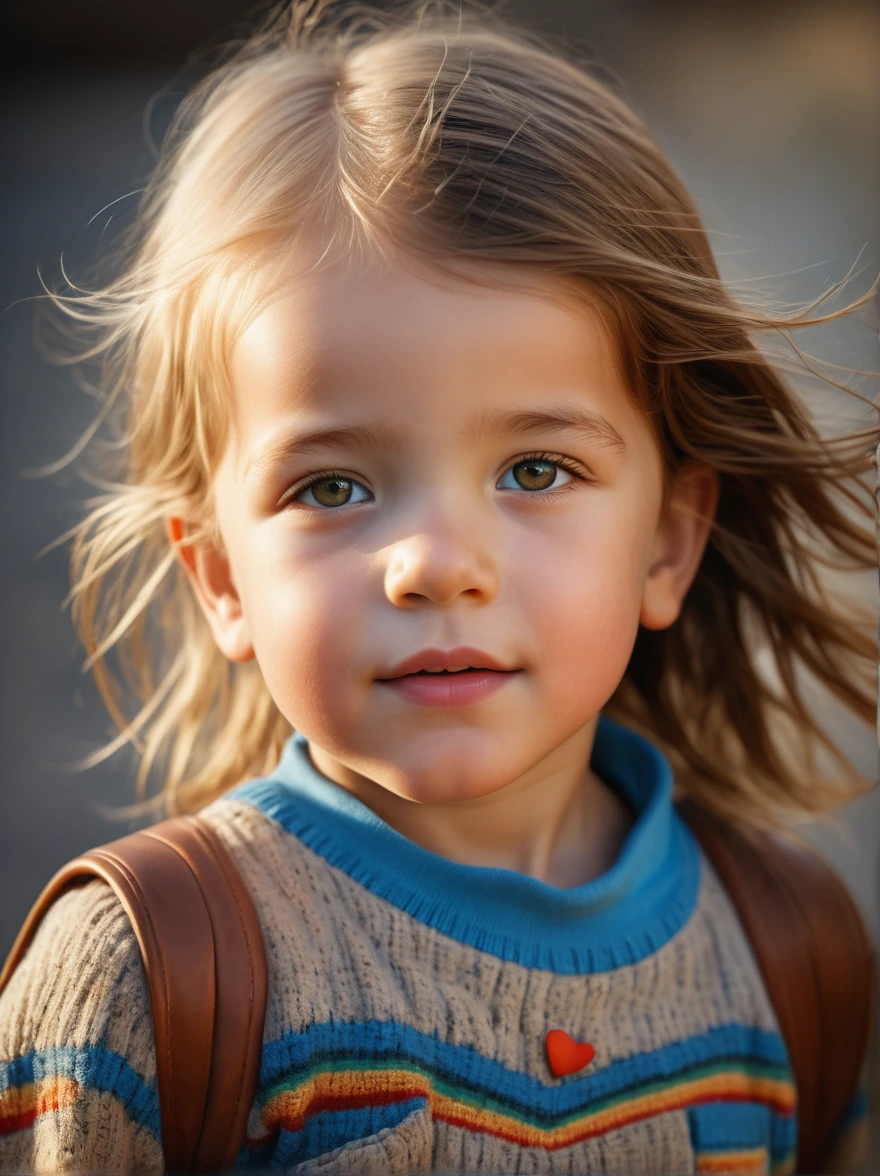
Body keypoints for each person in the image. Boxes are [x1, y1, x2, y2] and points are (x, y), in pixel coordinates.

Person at [1, 0, 877, 1172]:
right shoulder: (148, 979)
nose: (437, 565)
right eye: (333, 488)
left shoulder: (789, 954)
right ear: (219, 577)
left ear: (667, 542)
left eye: (535, 469)